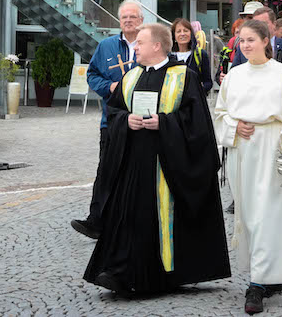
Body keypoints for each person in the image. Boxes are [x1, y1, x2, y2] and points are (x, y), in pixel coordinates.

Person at [84, 24, 230, 295]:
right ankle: (121, 272)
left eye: (140, 43)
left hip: (168, 164)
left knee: (156, 218)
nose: (134, 47)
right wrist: (125, 120)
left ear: (157, 46)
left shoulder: (184, 76)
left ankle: (157, 276)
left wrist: (164, 124)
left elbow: (197, 123)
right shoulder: (130, 77)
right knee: (128, 216)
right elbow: (114, 111)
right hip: (132, 161)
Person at [214, 19, 282, 314]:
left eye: (250, 40)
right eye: (241, 40)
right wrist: (234, 126)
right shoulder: (234, 75)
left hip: (272, 146)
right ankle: (266, 274)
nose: (245, 45)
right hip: (243, 150)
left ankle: (259, 282)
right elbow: (220, 112)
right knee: (249, 212)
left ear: (266, 41)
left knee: (271, 213)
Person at [72, 0, 143, 239]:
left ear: (141, 20)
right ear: (119, 21)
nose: (128, 21)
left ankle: (136, 224)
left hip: (144, 121)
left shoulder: (149, 44)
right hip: (112, 121)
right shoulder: (107, 46)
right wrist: (109, 85)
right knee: (106, 172)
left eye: (133, 17)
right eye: (124, 17)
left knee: (139, 173)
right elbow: (92, 75)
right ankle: (96, 222)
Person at [231, 6, 282, 90]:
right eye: (256, 24)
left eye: (264, 23)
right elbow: (234, 74)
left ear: (274, 24)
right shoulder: (245, 48)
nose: (259, 28)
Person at [171, 17, 213, 93]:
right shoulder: (169, 57)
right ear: (174, 36)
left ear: (191, 34)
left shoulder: (200, 54)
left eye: (186, 31)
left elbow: (208, 82)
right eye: (178, 31)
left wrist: (198, 91)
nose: (182, 34)